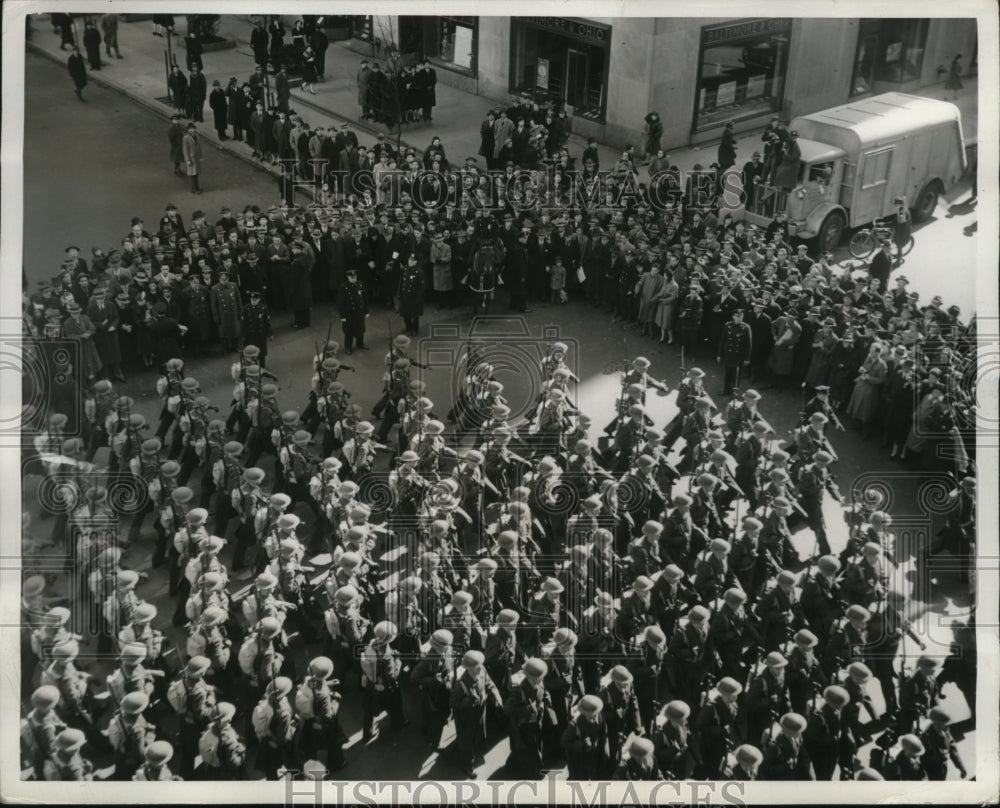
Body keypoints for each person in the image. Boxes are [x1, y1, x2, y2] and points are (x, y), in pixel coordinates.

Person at [182, 123, 203, 194]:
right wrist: (187, 160)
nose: (192, 130)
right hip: (191, 159)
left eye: (193, 128)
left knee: (196, 174)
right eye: (190, 129)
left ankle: (197, 187)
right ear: (188, 130)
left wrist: (201, 156)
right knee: (193, 175)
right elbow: (185, 150)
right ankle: (194, 189)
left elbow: (199, 147)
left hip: (197, 158)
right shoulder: (186, 138)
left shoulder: (196, 136)